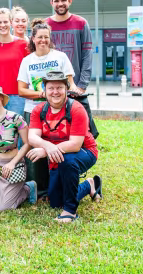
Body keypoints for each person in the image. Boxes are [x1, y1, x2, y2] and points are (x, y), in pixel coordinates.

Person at [26, 71, 101, 223]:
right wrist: (48, 147)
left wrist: (46, 151)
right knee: (55, 202)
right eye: (51, 88)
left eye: (59, 87)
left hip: (84, 152)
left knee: (68, 160)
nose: (55, 92)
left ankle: (70, 212)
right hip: (57, 154)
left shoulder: (76, 109)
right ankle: (89, 185)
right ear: (44, 90)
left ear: (66, 89)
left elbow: (75, 145)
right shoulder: (39, 110)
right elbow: (32, 137)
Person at [17, 19, 75, 195]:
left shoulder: (60, 57)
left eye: (46, 37)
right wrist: (42, 95)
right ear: (33, 39)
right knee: (35, 149)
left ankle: (58, 183)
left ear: (50, 38)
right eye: (39, 37)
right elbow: (21, 90)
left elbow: (70, 84)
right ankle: (39, 188)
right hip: (33, 110)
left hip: (59, 111)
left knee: (58, 145)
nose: (43, 40)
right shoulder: (27, 61)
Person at [46, 0, 99, 139]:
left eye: (63, 0)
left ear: (70, 1)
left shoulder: (81, 23)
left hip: (75, 88)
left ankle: (83, 156)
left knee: (84, 128)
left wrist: (82, 85)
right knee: (56, 128)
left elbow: (87, 55)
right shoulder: (45, 25)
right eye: (56, 1)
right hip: (52, 88)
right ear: (51, 3)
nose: (60, 4)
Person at [0, 8, 28, 117]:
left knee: (17, 130)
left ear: (10, 22)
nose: (3, 25)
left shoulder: (23, 44)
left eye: (5, 22)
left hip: (17, 96)